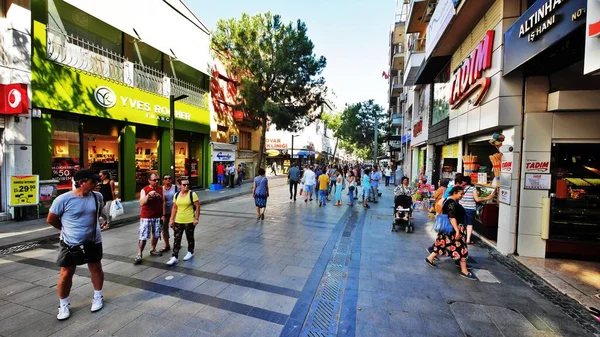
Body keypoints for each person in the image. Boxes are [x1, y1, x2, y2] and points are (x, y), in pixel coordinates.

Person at [47, 170, 105, 320]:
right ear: (81, 182)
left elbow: (97, 213)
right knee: (66, 273)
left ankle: (98, 296)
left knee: (96, 267)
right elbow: (51, 219)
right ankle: (63, 304)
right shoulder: (63, 199)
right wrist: (66, 229)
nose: (96, 184)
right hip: (69, 243)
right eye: (93, 182)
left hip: (93, 240)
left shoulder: (97, 196)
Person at [425, 186, 477, 280]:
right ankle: (464, 270)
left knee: (442, 244)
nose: (462, 196)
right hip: (454, 229)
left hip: (448, 229)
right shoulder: (451, 203)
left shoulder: (448, 201)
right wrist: (457, 230)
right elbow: (451, 217)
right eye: (461, 194)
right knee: (461, 249)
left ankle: (430, 258)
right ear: (455, 193)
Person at [166, 178, 199, 265]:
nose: (186, 186)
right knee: (177, 238)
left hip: (189, 220)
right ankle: (174, 256)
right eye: (184, 185)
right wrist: (171, 219)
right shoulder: (176, 195)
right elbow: (174, 207)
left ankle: (190, 251)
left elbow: (197, 206)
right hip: (178, 220)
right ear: (180, 186)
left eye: (188, 184)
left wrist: (196, 218)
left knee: (190, 237)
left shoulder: (192, 194)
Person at [135, 173, 165, 265]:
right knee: (143, 235)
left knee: (156, 234)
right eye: (154, 180)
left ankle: (153, 249)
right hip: (146, 216)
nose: (156, 182)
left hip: (157, 216)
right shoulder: (144, 190)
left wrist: (163, 214)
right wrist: (148, 196)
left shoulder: (161, 189)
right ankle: (139, 253)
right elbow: (141, 203)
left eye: (157, 180)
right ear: (149, 181)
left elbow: (163, 201)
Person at [461, 176, 495, 244]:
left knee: (462, 224)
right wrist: (488, 198)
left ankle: (462, 237)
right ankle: (468, 239)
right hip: (470, 209)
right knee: (469, 224)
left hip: (462, 208)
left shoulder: (461, 188)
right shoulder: (473, 189)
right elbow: (477, 199)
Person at [160, 174, 178, 253]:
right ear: (163, 180)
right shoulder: (161, 189)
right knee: (164, 229)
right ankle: (166, 245)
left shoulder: (176, 188)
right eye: (166, 178)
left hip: (174, 211)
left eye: (169, 178)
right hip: (164, 212)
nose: (168, 180)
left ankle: (177, 243)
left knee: (176, 228)